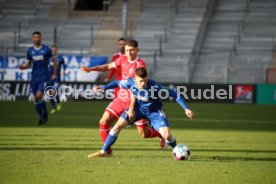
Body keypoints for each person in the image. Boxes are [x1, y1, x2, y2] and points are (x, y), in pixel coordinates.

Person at [80, 39, 165, 155]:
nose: (129, 53)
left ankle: (161, 134)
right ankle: (107, 151)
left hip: (136, 103)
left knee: (143, 134)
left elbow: (137, 89)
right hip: (121, 98)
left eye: (131, 50)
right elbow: (108, 66)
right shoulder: (122, 59)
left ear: (137, 50)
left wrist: (131, 108)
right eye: (127, 50)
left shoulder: (140, 65)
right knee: (104, 121)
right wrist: (91, 69)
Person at [88, 67, 195, 157]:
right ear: (135, 79)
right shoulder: (130, 82)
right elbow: (117, 83)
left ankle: (176, 149)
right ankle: (103, 151)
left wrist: (186, 108)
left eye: (145, 80)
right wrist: (105, 88)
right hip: (137, 109)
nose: (144, 83)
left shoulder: (154, 86)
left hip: (155, 112)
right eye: (141, 81)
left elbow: (174, 93)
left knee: (167, 135)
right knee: (117, 126)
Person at [18, 31, 57, 125]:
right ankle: (42, 115)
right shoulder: (30, 51)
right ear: (33, 38)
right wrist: (23, 67)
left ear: (41, 38)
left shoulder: (46, 49)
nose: (37, 39)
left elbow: (55, 61)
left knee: (39, 95)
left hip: (44, 77)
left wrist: (54, 73)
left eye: (38, 37)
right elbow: (29, 64)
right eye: (35, 37)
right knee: (36, 99)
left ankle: (44, 114)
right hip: (34, 77)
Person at [48, 45, 67, 114]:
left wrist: (64, 70)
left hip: (57, 78)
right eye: (53, 50)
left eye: (55, 50)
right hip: (49, 78)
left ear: (56, 50)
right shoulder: (48, 58)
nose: (54, 51)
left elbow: (64, 65)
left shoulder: (60, 58)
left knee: (53, 91)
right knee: (50, 94)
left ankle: (58, 103)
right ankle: (54, 108)